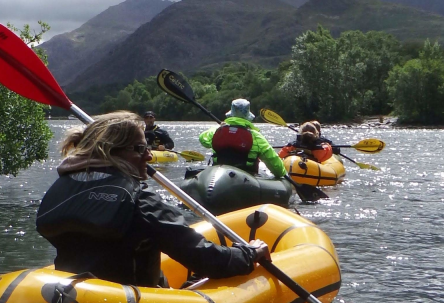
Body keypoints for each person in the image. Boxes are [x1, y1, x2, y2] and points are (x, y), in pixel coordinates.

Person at [36, 111, 269, 287]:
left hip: (73, 302)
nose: (148, 155)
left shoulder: (63, 188)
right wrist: (249, 253)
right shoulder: (138, 200)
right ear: (111, 151)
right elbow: (204, 258)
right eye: (139, 148)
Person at [198, 99, 287, 178]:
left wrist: (220, 126)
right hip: (247, 179)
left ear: (231, 114)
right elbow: (275, 165)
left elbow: (203, 139)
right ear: (247, 116)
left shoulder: (217, 131)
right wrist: (282, 173)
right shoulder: (256, 136)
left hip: (218, 176)